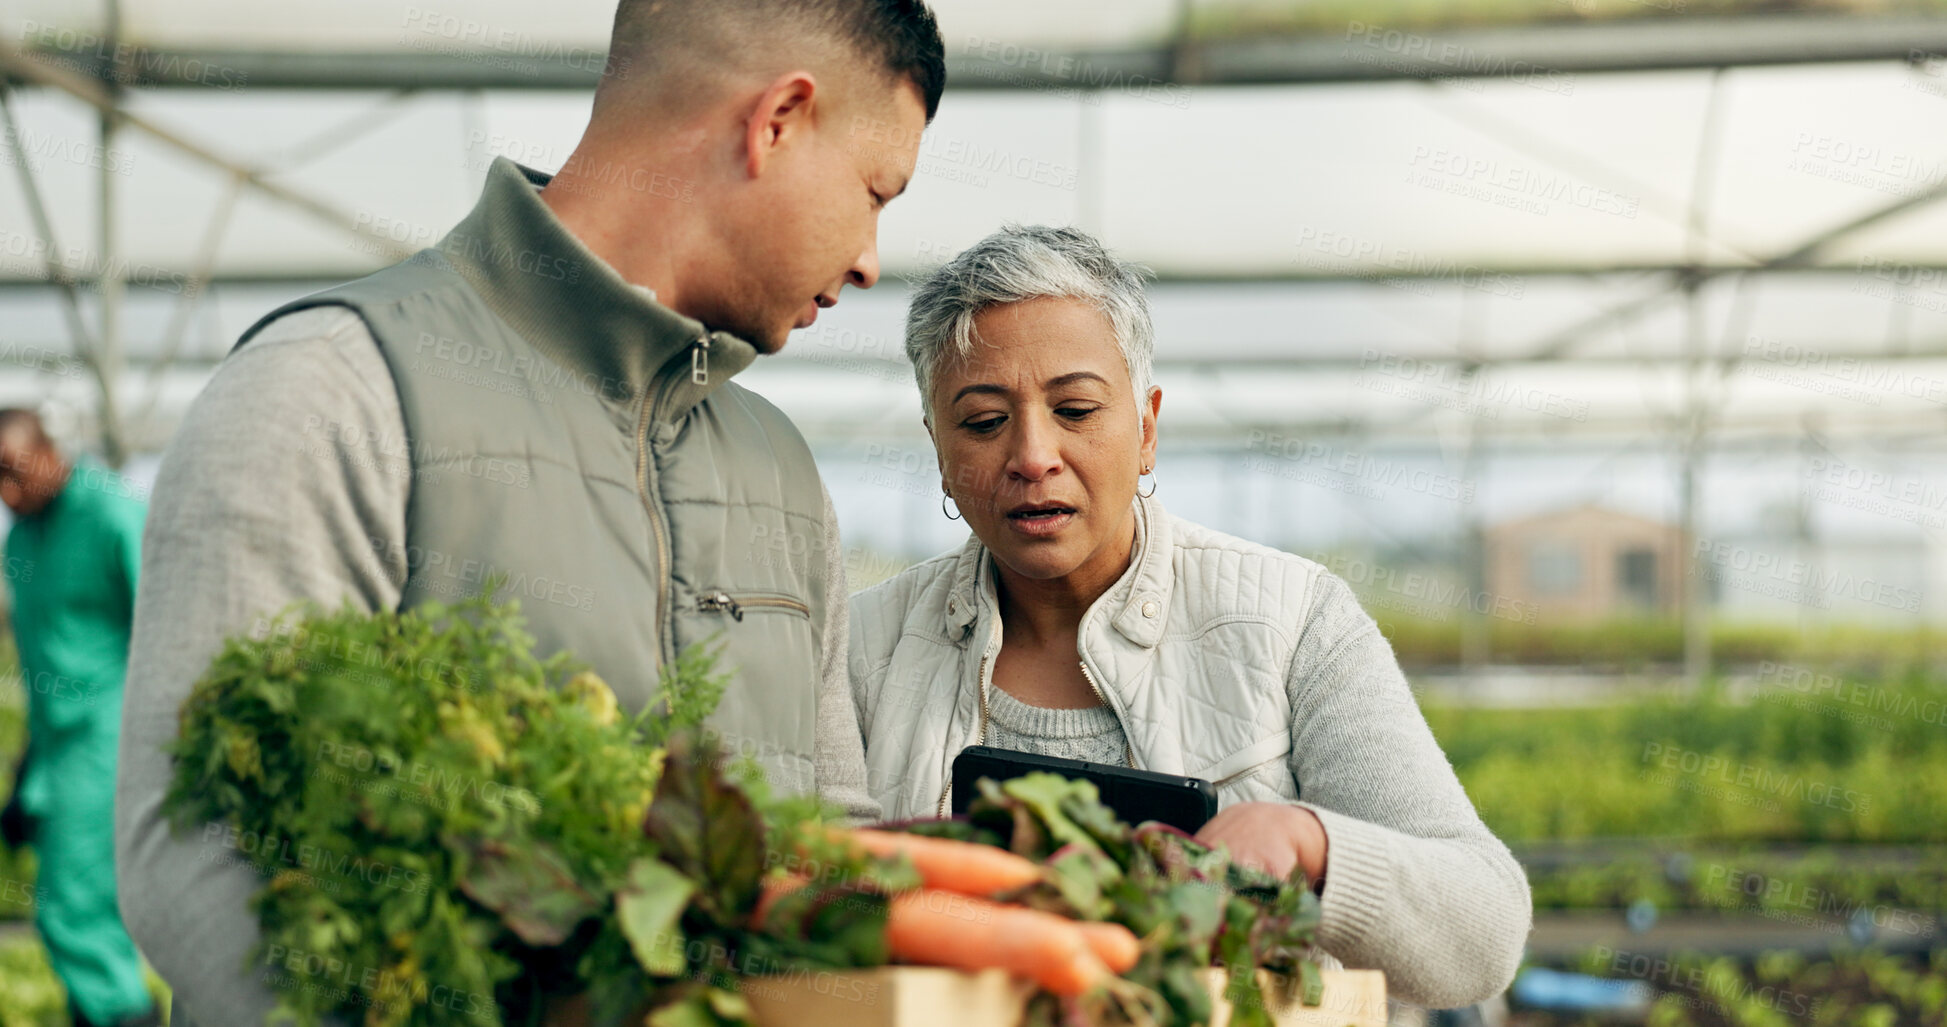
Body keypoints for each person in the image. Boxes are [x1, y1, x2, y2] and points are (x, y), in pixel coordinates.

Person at [115, 3, 944, 1024]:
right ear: (778, 119)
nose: (869, 257)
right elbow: (201, 849)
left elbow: (824, 832)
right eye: (876, 192)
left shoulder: (778, 470)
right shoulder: (331, 388)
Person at [846, 226, 1532, 1010]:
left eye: (1074, 408)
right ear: (937, 446)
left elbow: (1482, 932)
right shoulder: (866, 646)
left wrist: (1310, 843)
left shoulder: (1291, 620)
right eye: (981, 421)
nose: (1032, 454)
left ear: (1145, 428)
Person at [0, 410, 158, 1027]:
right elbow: (43, 665)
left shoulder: (112, 512)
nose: (5, 494)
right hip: (58, 751)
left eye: (12, 474)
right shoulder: (19, 541)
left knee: (73, 911)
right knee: (76, 908)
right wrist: (26, 771)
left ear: (47, 452)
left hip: (108, 738)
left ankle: (127, 1016)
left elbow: (165, 625)